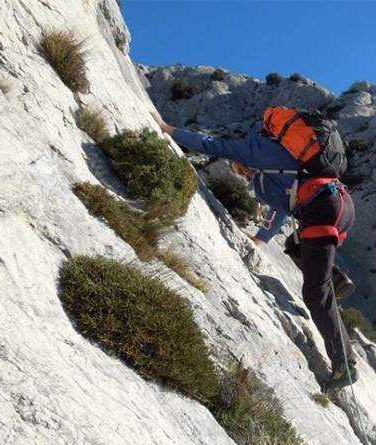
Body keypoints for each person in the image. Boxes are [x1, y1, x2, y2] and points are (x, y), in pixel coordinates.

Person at [152, 111, 359, 391]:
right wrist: (261, 239)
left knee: (314, 293)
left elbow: (214, 144)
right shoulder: (286, 161)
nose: (243, 174)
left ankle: (344, 365)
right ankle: (333, 278)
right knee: (294, 246)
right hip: (337, 206)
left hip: (324, 210)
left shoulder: (256, 149)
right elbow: (283, 210)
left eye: (240, 169)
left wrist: (169, 130)